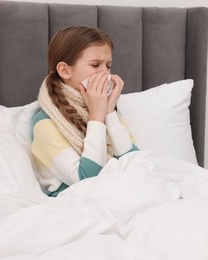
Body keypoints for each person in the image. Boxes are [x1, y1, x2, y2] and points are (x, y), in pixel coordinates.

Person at [31, 25, 139, 197]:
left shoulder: (108, 111)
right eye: (95, 65)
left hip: (116, 194)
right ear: (65, 70)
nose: (105, 73)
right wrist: (97, 117)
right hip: (74, 204)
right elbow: (87, 179)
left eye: (108, 65)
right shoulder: (45, 123)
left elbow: (136, 164)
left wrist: (109, 112)